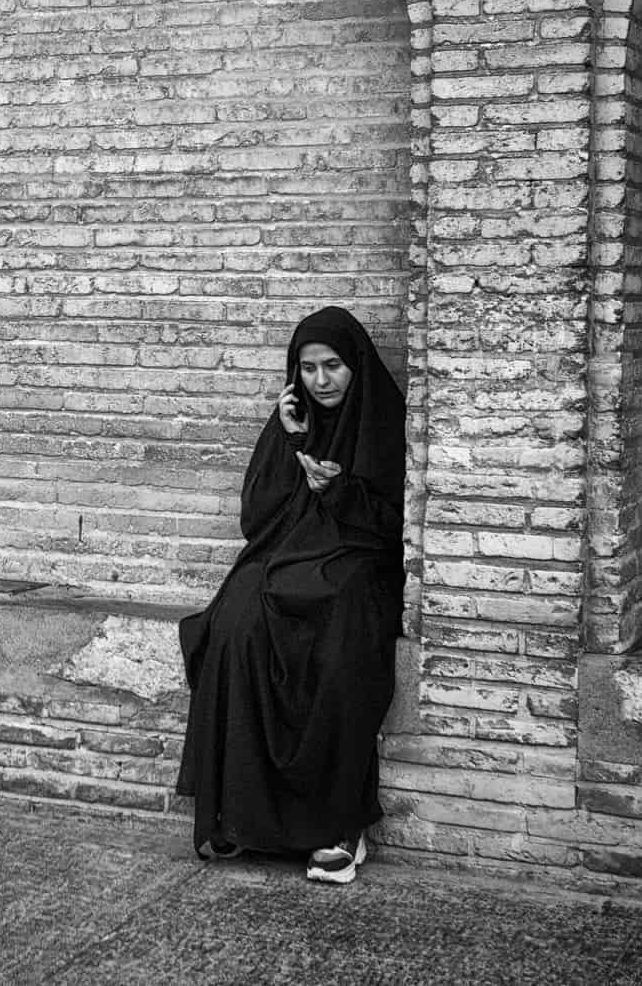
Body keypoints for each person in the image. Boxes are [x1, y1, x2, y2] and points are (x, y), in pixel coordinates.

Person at [174, 305, 406, 885]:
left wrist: (340, 491)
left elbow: (395, 524)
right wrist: (285, 439)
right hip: (287, 552)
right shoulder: (291, 420)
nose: (321, 381)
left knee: (339, 634)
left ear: (356, 366)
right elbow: (257, 518)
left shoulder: (384, 421)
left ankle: (337, 827)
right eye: (307, 368)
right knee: (233, 619)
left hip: (357, 563)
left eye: (333, 367)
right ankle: (243, 813)